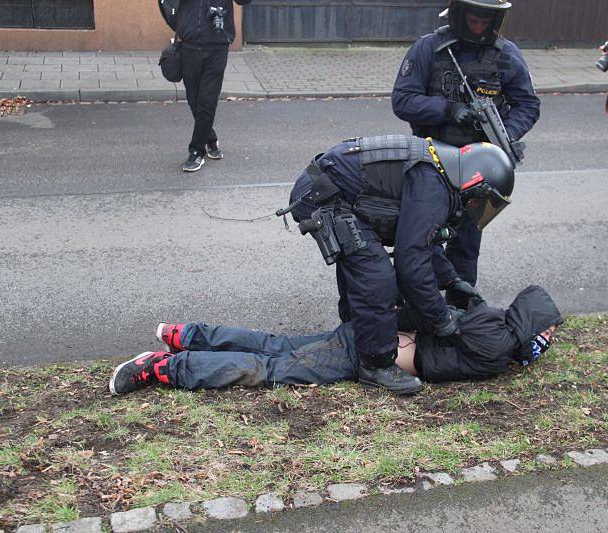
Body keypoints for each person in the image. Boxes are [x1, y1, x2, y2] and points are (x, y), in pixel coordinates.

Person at [279, 134, 514, 395]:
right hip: (321, 193)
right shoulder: (433, 187)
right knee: (376, 276)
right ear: (475, 183)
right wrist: (441, 318)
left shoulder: (440, 173)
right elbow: (411, 261)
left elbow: (424, 241)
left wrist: (451, 280)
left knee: (366, 261)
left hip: (331, 189)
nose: (476, 207)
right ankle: (375, 365)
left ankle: (354, 332)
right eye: (480, 200)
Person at [108, 285, 563, 395]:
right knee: (269, 367)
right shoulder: (500, 340)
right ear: (528, 322)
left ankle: (186, 336)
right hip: (368, 352)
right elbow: (477, 348)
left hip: (369, 340)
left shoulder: (492, 324)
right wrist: (522, 348)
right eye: (546, 329)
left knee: (276, 346)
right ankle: (162, 367)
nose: (546, 340)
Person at [391, 0, 540, 300]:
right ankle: (418, 308)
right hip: (432, 161)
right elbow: (403, 100)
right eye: (473, 18)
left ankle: (460, 311)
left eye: (486, 20)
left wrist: (503, 137)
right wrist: (447, 110)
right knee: (421, 239)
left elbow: (528, 105)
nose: (478, 26)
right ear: (458, 14)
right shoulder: (429, 48)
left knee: (466, 244)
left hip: (479, 169)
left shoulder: (506, 55)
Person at [176, 0, 251, 172]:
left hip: (217, 46)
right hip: (189, 45)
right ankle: (210, 139)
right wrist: (183, 26)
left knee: (207, 102)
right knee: (193, 101)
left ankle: (196, 151)